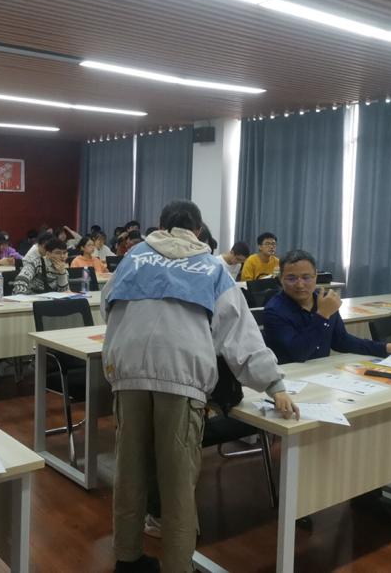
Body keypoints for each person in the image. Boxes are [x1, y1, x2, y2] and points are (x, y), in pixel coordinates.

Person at [101, 200, 297, 573]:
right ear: (199, 230)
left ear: (160, 226)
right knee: (177, 480)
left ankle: (127, 559)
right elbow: (240, 334)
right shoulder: (212, 267)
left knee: (130, 472)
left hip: (127, 372)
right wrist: (274, 385)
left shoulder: (132, 258)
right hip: (181, 374)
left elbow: (106, 305)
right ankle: (178, 566)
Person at [263, 250, 391, 364]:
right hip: (289, 378)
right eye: (291, 278)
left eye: (306, 277)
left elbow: (341, 341)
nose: (300, 285)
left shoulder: (325, 301)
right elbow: (299, 354)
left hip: (319, 372)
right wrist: (322, 315)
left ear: (315, 277)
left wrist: (383, 348)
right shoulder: (274, 311)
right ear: (281, 279)